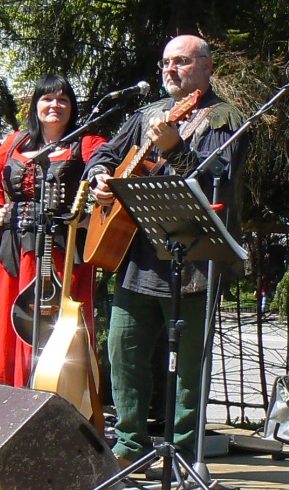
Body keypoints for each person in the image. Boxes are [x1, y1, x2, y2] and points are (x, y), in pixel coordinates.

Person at [84, 35, 248, 466]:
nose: (170, 70)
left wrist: (176, 148)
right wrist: (100, 177)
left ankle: (184, 451)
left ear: (207, 67)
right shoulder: (148, 114)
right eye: (165, 63)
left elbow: (218, 178)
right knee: (124, 352)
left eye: (181, 61)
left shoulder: (224, 117)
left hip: (193, 260)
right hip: (136, 256)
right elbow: (104, 153)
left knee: (189, 367)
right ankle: (128, 446)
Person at [0, 75, 106, 410]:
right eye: (47, 99)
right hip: (13, 252)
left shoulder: (87, 142)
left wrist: (88, 217)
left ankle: (52, 410)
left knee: (55, 333)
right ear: (36, 105)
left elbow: (109, 175)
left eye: (63, 100)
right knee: (4, 328)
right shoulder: (15, 141)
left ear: (72, 107)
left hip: (60, 253)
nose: (55, 106)